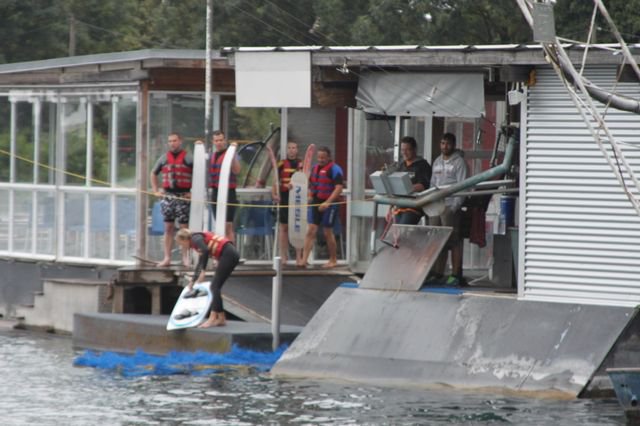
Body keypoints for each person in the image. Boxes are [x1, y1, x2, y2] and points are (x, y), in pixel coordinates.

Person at [175, 228, 240, 328]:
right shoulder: (196, 241)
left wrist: (203, 271)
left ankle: (213, 318)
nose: (182, 246)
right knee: (215, 287)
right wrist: (193, 281)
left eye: (181, 243)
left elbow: (205, 251)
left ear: (185, 239)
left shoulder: (195, 239)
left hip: (229, 255)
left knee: (214, 287)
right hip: (228, 255)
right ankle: (220, 318)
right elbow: (201, 262)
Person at [429, 132, 469, 286]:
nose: (445, 146)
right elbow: (433, 184)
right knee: (438, 239)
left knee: (454, 241)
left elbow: (463, 185)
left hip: (450, 206)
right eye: (443, 143)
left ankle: (456, 274)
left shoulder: (459, 162)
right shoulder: (437, 161)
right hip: (436, 206)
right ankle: (439, 273)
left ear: (453, 145)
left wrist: (455, 206)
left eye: (448, 144)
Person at [150, 133, 193, 267]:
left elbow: (199, 175)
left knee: (184, 229)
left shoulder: (188, 158)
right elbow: (153, 173)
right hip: (168, 196)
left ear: (180, 141)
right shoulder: (163, 158)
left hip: (183, 196)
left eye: (174, 141)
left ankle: (185, 257)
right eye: (170, 141)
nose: (172, 143)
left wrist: (193, 192)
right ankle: (167, 257)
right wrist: (156, 189)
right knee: (168, 227)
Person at [300, 146, 344, 269]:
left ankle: (333, 260)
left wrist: (327, 203)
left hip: (331, 203)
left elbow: (338, 188)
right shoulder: (315, 169)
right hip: (316, 200)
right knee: (311, 230)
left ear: (329, 157)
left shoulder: (335, 170)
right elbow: (311, 184)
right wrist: (310, 196)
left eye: (323, 157)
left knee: (327, 231)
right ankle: (304, 260)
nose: (320, 159)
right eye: (319, 157)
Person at [272, 141, 303, 265]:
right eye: (289, 148)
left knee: (298, 228)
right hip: (284, 198)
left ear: (297, 150)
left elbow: (306, 180)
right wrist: (274, 194)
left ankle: (298, 257)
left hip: (298, 199)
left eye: (294, 148)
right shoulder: (281, 164)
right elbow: (275, 180)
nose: (291, 150)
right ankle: (283, 257)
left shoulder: (301, 164)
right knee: (283, 228)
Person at [208, 130, 241, 244]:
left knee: (228, 225)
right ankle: (221, 253)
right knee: (219, 225)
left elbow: (237, 171)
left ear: (225, 141)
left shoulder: (231, 154)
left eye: (221, 140)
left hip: (229, 192)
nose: (219, 142)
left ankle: (231, 253)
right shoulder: (212, 156)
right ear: (213, 142)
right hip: (216, 192)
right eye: (216, 140)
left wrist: (232, 157)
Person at [392, 136, 432, 225]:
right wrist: (390, 208)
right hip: (399, 206)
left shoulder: (423, 165)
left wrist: (405, 188)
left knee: (402, 232)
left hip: (413, 206)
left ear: (414, 149)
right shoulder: (401, 165)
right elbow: (395, 187)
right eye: (402, 150)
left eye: (407, 150)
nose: (404, 153)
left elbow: (424, 185)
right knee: (397, 236)